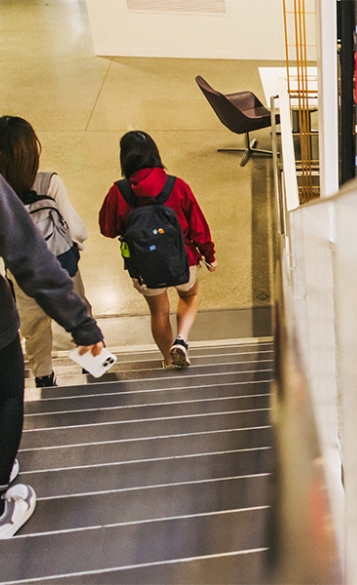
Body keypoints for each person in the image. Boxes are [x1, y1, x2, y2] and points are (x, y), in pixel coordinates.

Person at [0, 174, 104, 538]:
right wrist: (82, 324)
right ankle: (1, 501)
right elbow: (31, 257)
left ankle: (43, 373)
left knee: (33, 336)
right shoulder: (46, 182)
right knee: (8, 396)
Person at [99, 131, 217, 369]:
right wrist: (209, 255)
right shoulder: (177, 186)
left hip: (144, 267)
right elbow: (198, 227)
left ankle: (167, 360)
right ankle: (181, 341)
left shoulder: (118, 191)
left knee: (159, 313)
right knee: (189, 296)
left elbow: (108, 229)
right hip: (183, 260)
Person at [0, 116, 92, 388]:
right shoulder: (49, 182)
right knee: (78, 314)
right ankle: (92, 365)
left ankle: (43, 375)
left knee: (34, 328)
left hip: (22, 278)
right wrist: (78, 246)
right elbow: (75, 228)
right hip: (62, 269)